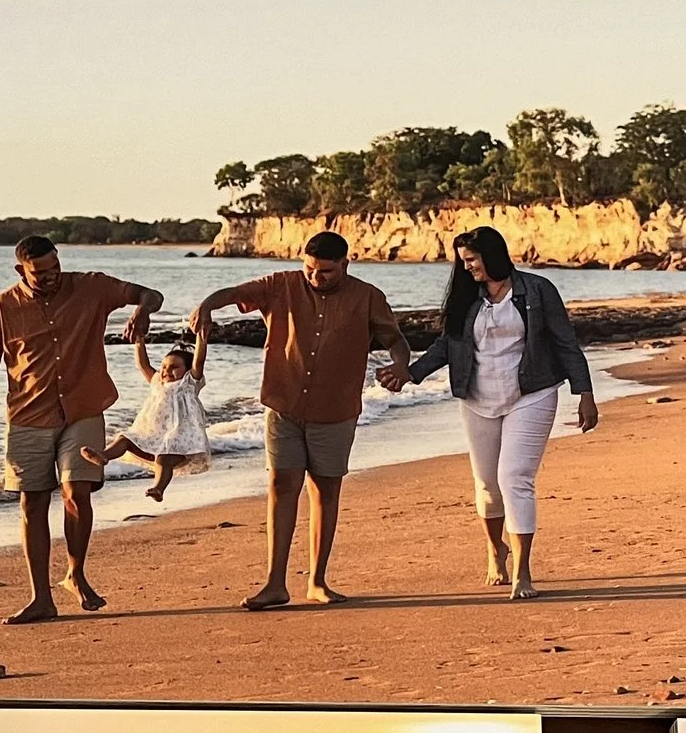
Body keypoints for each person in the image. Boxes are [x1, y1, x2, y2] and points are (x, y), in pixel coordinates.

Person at [191, 232, 408, 609]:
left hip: (336, 410)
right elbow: (230, 293)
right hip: (283, 404)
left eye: (325, 271)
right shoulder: (280, 285)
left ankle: (318, 582)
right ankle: (275, 583)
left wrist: (401, 367)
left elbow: (395, 340)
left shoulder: (367, 297)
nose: (315, 277)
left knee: (325, 490)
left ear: (345, 264)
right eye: (309, 268)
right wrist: (206, 307)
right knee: (281, 484)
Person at [0, 236, 162, 624]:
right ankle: (41, 598)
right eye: (40, 273)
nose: (50, 276)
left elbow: (150, 293)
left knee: (77, 492)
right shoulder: (3, 307)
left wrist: (142, 310)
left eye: (54, 267)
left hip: (83, 409)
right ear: (21, 270)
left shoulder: (90, 286)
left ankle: (75, 572)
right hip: (27, 415)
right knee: (32, 504)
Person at [399, 226, 598, 600]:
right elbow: (447, 346)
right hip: (477, 398)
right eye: (464, 262)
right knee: (488, 486)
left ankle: (523, 573)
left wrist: (584, 392)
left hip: (532, 393)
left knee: (514, 479)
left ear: (492, 254)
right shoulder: (466, 297)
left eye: (472, 260)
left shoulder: (537, 291)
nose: (468, 267)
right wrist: (410, 374)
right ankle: (496, 549)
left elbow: (564, 342)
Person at [85, 332, 211, 502]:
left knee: (163, 460)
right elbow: (143, 364)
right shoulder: (157, 382)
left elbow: (199, 361)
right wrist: (139, 340)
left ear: (188, 370)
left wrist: (201, 338)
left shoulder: (189, 383)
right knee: (125, 438)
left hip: (181, 442)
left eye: (174, 367)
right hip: (153, 438)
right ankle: (104, 455)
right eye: (164, 367)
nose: (166, 371)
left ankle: (158, 489)